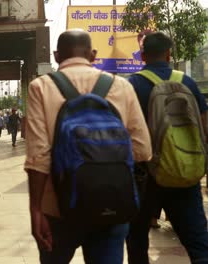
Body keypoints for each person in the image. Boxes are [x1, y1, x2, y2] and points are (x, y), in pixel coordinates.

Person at [25, 29, 151, 264]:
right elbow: (143, 150)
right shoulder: (121, 86)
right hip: (112, 207)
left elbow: (38, 157)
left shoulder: (40, 87)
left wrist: (36, 211)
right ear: (93, 55)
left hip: (58, 209)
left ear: (55, 55)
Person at [126, 32, 208, 264]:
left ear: (142, 56)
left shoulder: (132, 85)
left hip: (144, 176)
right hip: (184, 172)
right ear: (169, 54)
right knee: (198, 242)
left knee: (137, 240)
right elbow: (204, 125)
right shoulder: (187, 82)